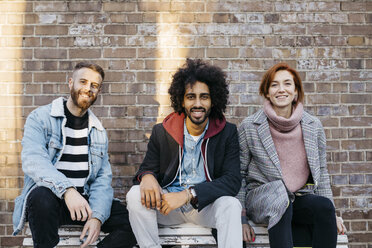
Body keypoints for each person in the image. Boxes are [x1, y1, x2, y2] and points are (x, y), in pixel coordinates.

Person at [12, 62, 136, 248]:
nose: (88, 88)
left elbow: (102, 179)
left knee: (134, 223)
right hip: (52, 201)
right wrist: (67, 191)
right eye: (83, 82)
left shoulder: (98, 131)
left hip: (84, 203)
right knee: (39, 197)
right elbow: (34, 161)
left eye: (94, 85)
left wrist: (97, 216)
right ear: (71, 83)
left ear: (99, 91)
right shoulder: (41, 118)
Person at [126, 58, 243, 248]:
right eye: (191, 97)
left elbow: (232, 181)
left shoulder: (227, 132)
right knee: (134, 195)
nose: (197, 103)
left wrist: (189, 194)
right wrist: (146, 176)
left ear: (213, 101)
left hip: (204, 207)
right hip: (167, 207)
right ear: (181, 99)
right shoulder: (162, 131)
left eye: (204, 97)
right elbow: (147, 168)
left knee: (231, 205)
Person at [237, 62, 347, 248]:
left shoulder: (313, 126)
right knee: (281, 199)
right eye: (274, 85)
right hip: (263, 198)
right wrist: (241, 220)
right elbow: (239, 174)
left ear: (295, 91)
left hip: (299, 198)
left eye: (287, 84)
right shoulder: (250, 126)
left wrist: (332, 214)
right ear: (266, 92)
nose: (281, 89)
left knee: (324, 208)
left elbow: (321, 171)